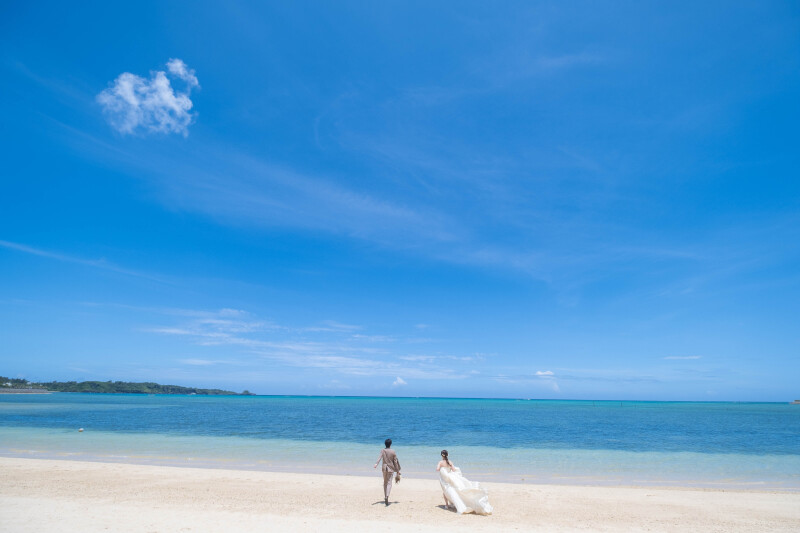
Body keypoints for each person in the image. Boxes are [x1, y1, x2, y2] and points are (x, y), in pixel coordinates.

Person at [436, 450, 492, 515]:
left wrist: (442, 469)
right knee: (454, 490)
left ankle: (447, 505)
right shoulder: (450, 462)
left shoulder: (440, 462)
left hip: (444, 479)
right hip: (451, 478)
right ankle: (452, 503)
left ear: (441, 455)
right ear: (447, 455)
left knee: (445, 491)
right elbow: (454, 470)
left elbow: (437, 469)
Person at [374, 438, 401, 505]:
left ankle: (385, 495)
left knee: (385, 482)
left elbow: (379, 457)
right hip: (391, 469)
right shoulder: (393, 451)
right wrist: (397, 471)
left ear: (385, 444)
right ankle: (387, 496)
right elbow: (395, 462)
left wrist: (376, 464)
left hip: (384, 468)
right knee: (389, 483)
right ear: (390, 444)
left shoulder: (383, 450)